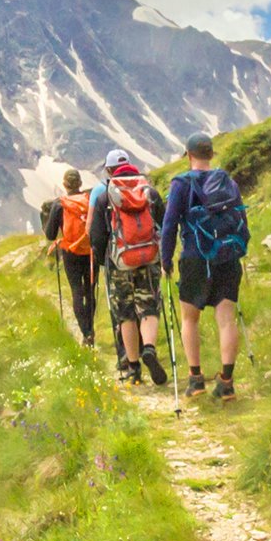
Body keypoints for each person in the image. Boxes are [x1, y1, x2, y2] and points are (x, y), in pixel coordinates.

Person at [162, 136, 250, 400]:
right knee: (226, 319)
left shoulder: (181, 184)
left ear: (188, 155)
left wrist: (165, 261)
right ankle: (227, 382)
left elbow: (168, 226)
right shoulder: (228, 182)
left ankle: (196, 379)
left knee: (190, 318)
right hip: (227, 256)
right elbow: (242, 218)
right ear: (211, 154)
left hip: (195, 257)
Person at [97, 154, 171, 388]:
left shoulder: (105, 196)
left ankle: (133, 368)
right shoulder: (149, 191)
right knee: (148, 306)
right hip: (149, 259)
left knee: (126, 313)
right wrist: (165, 257)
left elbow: (97, 235)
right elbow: (163, 223)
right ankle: (148, 347)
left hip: (120, 262)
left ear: (110, 171)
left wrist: (104, 261)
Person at [38, 168, 98, 347]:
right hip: (90, 251)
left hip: (70, 252)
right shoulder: (89, 200)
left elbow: (50, 234)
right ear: (80, 183)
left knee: (77, 291)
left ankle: (86, 333)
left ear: (64, 185)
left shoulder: (59, 204)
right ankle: (91, 327)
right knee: (90, 290)